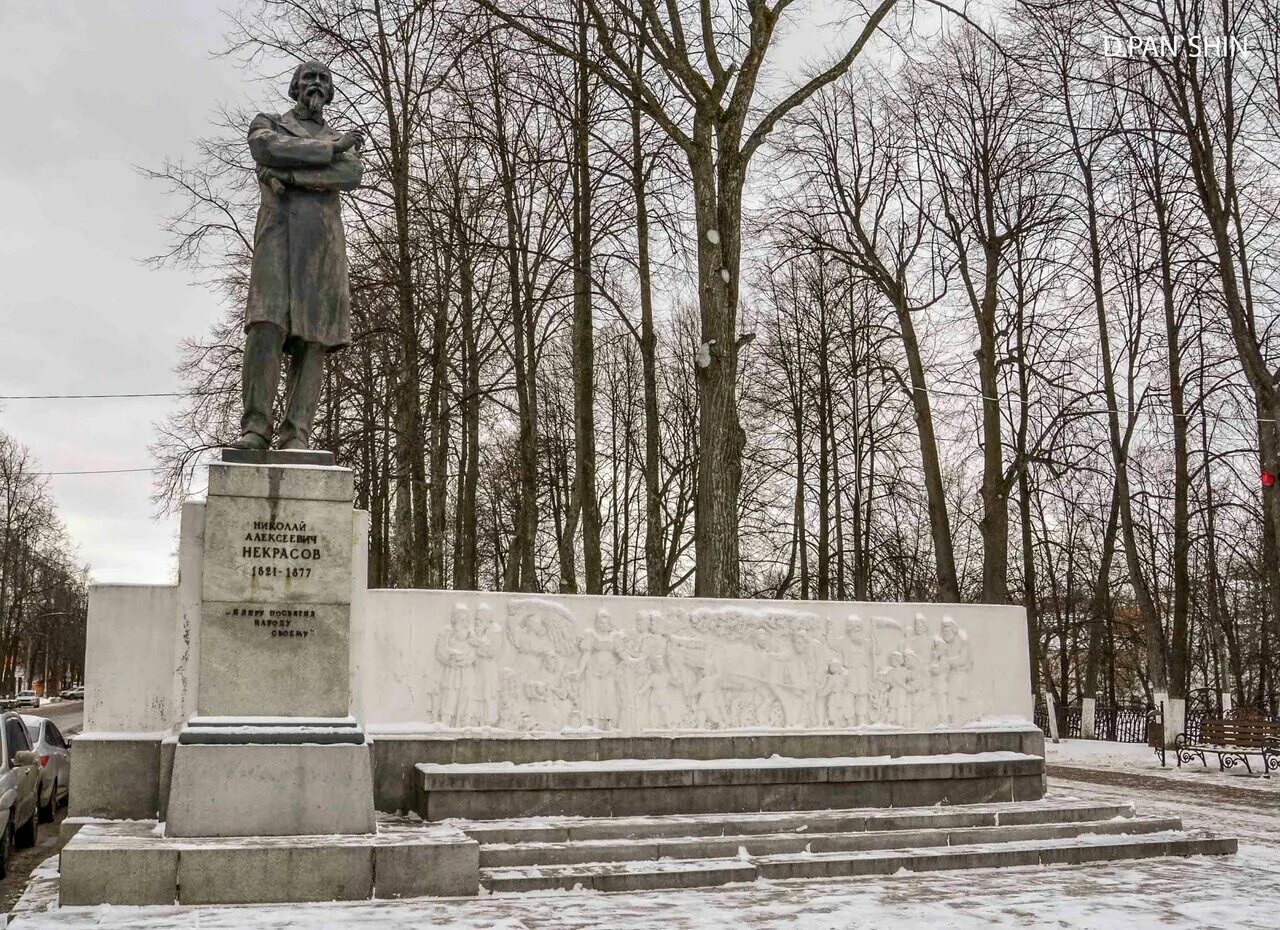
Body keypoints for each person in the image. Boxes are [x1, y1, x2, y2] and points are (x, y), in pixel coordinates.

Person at [232, 59, 364, 451]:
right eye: (309, 77)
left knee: (312, 339)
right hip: (277, 239)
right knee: (265, 327)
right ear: (295, 86)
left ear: (331, 90)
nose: (316, 84)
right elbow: (265, 148)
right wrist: (329, 150)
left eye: (324, 79)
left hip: (321, 246)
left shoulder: (343, 142)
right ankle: (255, 428)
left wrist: (288, 176)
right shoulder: (270, 122)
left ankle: (296, 433)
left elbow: (349, 176)